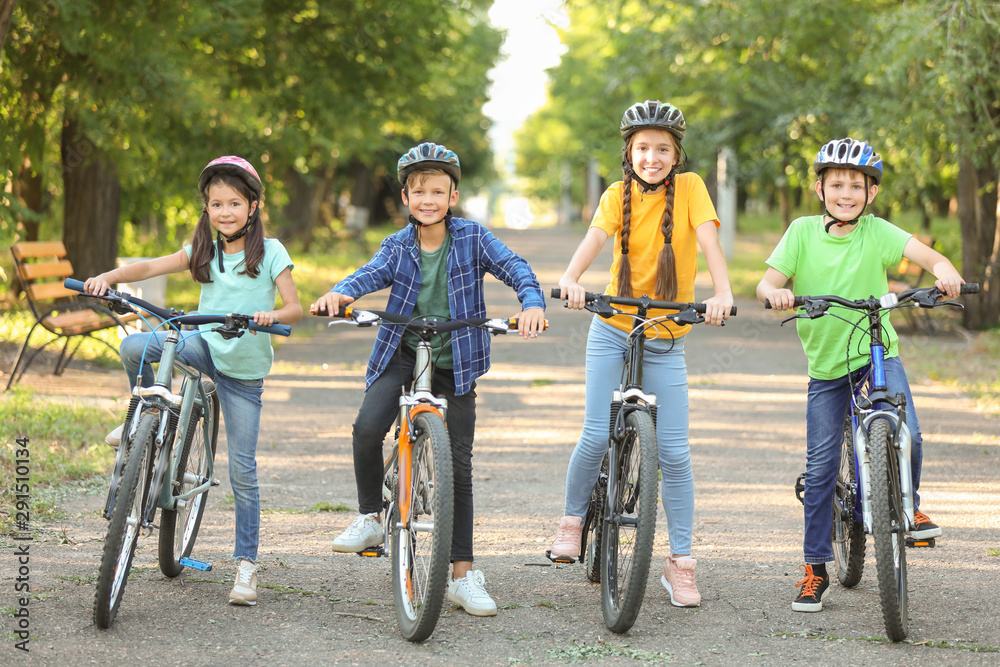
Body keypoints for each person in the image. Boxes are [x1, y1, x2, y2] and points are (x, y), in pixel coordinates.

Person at [312, 142, 546, 617]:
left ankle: (462, 575)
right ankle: (369, 518)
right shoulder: (397, 245)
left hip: (455, 359)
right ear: (405, 198)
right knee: (365, 428)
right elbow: (368, 275)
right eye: (419, 192)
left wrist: (532, 303)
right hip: (401, 352)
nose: (428, 200)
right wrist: (339, 292)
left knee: (458, 467)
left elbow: (515, 267)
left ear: (453, 197)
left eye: (438, 192)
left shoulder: (473, 238)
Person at [756, 137, 965, 613]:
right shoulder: (803, 231)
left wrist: (944, 269)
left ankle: (908, 509)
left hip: (876, 355)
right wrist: (777, 293)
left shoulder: (876, 231)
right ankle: (814, 569)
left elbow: (925, 255)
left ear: (871, 193)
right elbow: (767, 280)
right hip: (827, 368)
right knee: (822, 467)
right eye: (837, 185)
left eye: (856, 185)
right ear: (819, 188)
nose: (846, 193)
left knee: (906, 428)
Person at [84, 155, 303, 607]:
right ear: (207, 209)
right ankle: (143, 413)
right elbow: (148, 268)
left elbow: (294, 310)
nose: (225, 212)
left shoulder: (271, 251)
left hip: (243, 372)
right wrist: (108, 277)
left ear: (253, 206)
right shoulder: (206, 249)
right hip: (204, 345)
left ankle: (246, 566)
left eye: (235, 203)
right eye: (216, 204)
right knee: (136, 346)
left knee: (243, 471)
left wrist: (271, 315)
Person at [548, 100, 734, 608]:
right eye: (644, 148)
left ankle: (681, 563)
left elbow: (709, 242)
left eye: (663, 149)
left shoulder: (692, 189)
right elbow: (594, 240)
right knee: (594, 430)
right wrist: (570, 280)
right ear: (629, 151)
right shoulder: (617, 194)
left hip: (666, 336)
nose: (653, 157)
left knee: (673, 451)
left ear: (677, 154)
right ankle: (571, 520)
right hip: (612, 328)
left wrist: (721, 292)